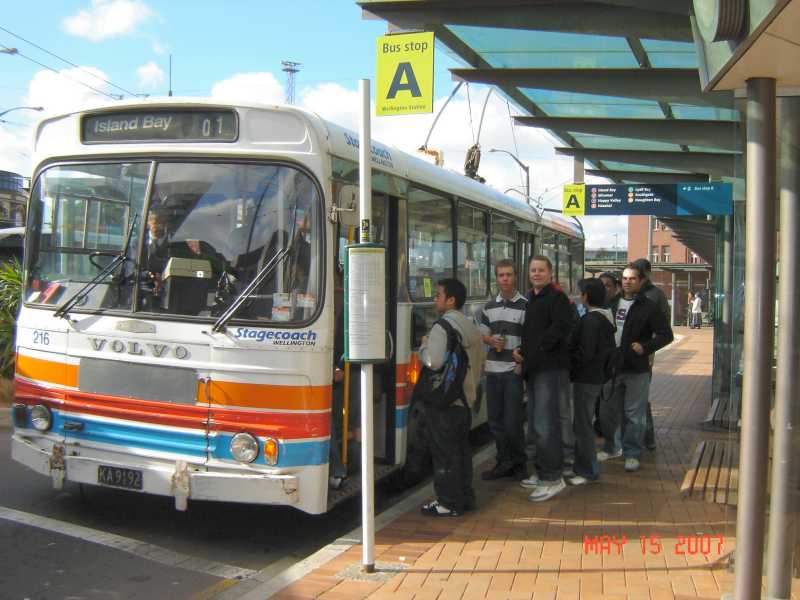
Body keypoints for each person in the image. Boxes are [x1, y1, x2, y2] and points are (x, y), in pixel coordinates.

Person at [598, 264, 673, 472]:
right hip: (611, 368)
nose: (627, 282)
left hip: (636, 369)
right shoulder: (610, 304)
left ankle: (632, 453)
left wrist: (646, 347)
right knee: (608, 411)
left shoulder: (649, 307)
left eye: (632, 278)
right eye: (624, 278)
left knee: (634, 413)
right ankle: (612, 446)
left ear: (641, 281)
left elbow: (666, 335)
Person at [418, 279, 484, 517]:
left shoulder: (442, 327)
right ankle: (464, 497)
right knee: (461, 453)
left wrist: (423, 348)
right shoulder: (469, 325)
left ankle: (447, 502)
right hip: (466, 400)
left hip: (447, 403)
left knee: (444, 454)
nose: (435, 299)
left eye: (438, 295)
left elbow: (433, 361)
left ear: (451, 300)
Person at [512, 256, 574, 502]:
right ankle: (543, 472)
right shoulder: (533, 299)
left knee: (546, 424)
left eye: (541, 270)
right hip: (536, 368)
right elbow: (533, 333)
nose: (536, 274)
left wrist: (535, 352)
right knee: (537, 424)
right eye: (533, 270)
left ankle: (552, 478)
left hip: (550, 369)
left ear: (550, 273)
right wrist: (524, 353)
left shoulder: (556, 298)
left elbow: (559, 329)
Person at [477, 259, 528, 481]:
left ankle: (519, 462)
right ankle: (503, 461)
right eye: (501, 275)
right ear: (496, 278)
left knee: (513, 421)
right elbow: (482, 333)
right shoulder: (489, 307)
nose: (505, 279)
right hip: (493, 370)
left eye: (508, 274)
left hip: (512, 372)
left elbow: (530, 339)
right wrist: (490, 340)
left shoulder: (526, 305)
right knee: (495, 421)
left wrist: (520, 364)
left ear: (516, 277)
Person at [568, 278, 616, 485]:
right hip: (596, 378)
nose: (579, 297)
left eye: (581, 293)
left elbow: (585, 353)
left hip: (585, 379)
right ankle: (582, 466)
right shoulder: (605, 319)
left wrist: (569, 363)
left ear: (586, 296)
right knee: (583, 423)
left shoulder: (589, 321)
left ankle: (588, 470)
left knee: (583, 425)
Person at [631, 258, 669, 451]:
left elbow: (662, 329)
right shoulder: (656, 294)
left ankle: (646, 437)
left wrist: (648, 348)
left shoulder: (653, 296)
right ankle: (643, 437)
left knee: (640, 397)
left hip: (643, 353)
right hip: (634, 353)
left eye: (638, 275)